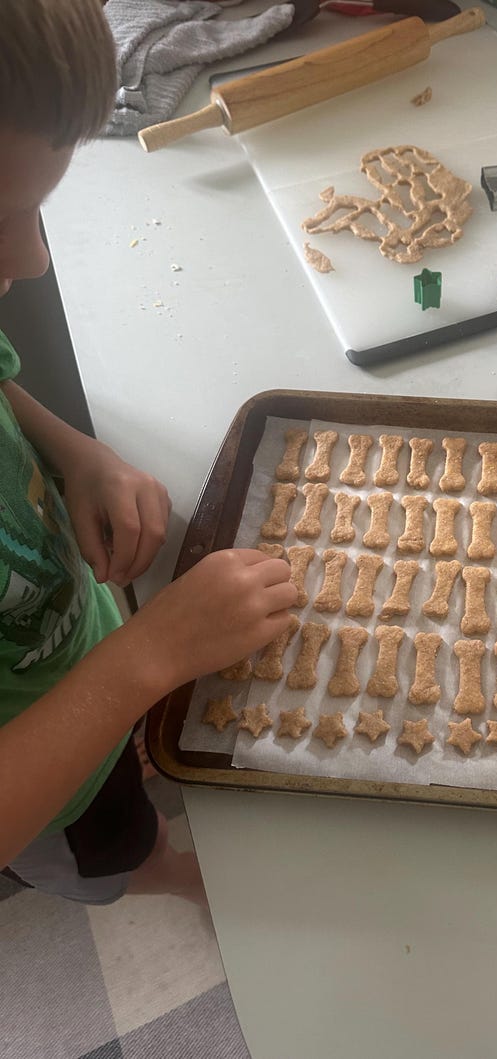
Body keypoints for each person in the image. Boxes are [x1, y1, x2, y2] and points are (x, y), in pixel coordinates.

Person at [0, 0, 297, 904]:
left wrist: (75, 453)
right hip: (51, 794)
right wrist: (147, 660)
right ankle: (161, 876)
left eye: (36, 211)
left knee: (136, 790)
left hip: (78, 653)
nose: (34, 258)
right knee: (120, 848)